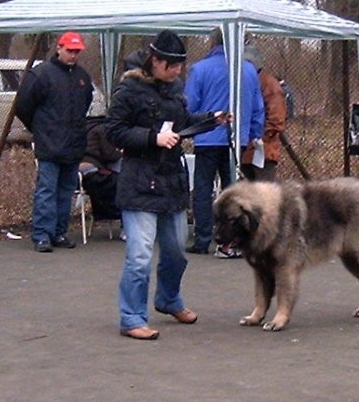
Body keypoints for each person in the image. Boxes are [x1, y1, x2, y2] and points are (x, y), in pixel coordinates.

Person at [106, 30, 232, 341]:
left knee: (177, 251)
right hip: (138, 183)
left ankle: (168, 299)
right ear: (155, 61)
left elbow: (182, 121)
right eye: (172, 66)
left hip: (171, 183)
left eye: (180, 66)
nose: (177, 71)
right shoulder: (129, 90)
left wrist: (210, 119)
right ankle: (131, 317)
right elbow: (114, 130)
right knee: (139, 255)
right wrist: (152, 138)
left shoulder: (176, 89)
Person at [184, 27, 264, 258]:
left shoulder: (199, 70)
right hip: (235, 139)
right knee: (234, 192)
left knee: (202, 189)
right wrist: (252, 135)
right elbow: (258, 108)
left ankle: (202, 239)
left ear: (211, 43)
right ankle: (234, 240)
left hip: (207, 138)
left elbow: (189, 106)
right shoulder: (248, 70)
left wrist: (190, 131)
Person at [15, 31, 94, 253]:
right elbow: (23, 105)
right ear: (58, 48)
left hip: (73, 144)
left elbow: (85, 104)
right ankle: (42, 235)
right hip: (49, 144)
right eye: (70, 50)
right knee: (47, 191)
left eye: (77, 51)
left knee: (66, 191)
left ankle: (59, 232)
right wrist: (39, 128)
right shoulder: (41, 75)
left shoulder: (82, 77)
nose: (73, 55)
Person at [240, 45, 287, 182]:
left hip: (264, 151)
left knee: (264, 193)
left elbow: (276, 119)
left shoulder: (270, 85)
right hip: (244, 150)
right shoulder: (244, 82)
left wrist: (259, 138)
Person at [79, 114, 123, 231]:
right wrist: (121, 152)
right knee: (123, 180)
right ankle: (124, 221)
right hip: (95, 168)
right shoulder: (102, 129)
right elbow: (109, 154)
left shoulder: (82, 127)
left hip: (79, 170)